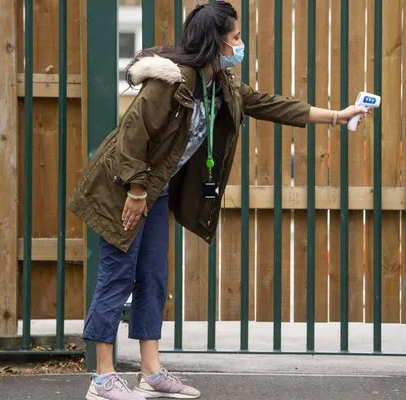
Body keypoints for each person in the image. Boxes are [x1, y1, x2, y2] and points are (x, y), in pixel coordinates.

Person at [67, 2, 370, 399]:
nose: (241, 44)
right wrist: (137, 192)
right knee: (118, 276)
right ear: (215, 42)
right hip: (122, 188)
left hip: (153, 192)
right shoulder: (170, 82)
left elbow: (270, 104)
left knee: (153, 279)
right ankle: (103, 378)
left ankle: (151, 371)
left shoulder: (220, 84)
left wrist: (337, 115)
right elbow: (130, 139)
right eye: (236, 38)